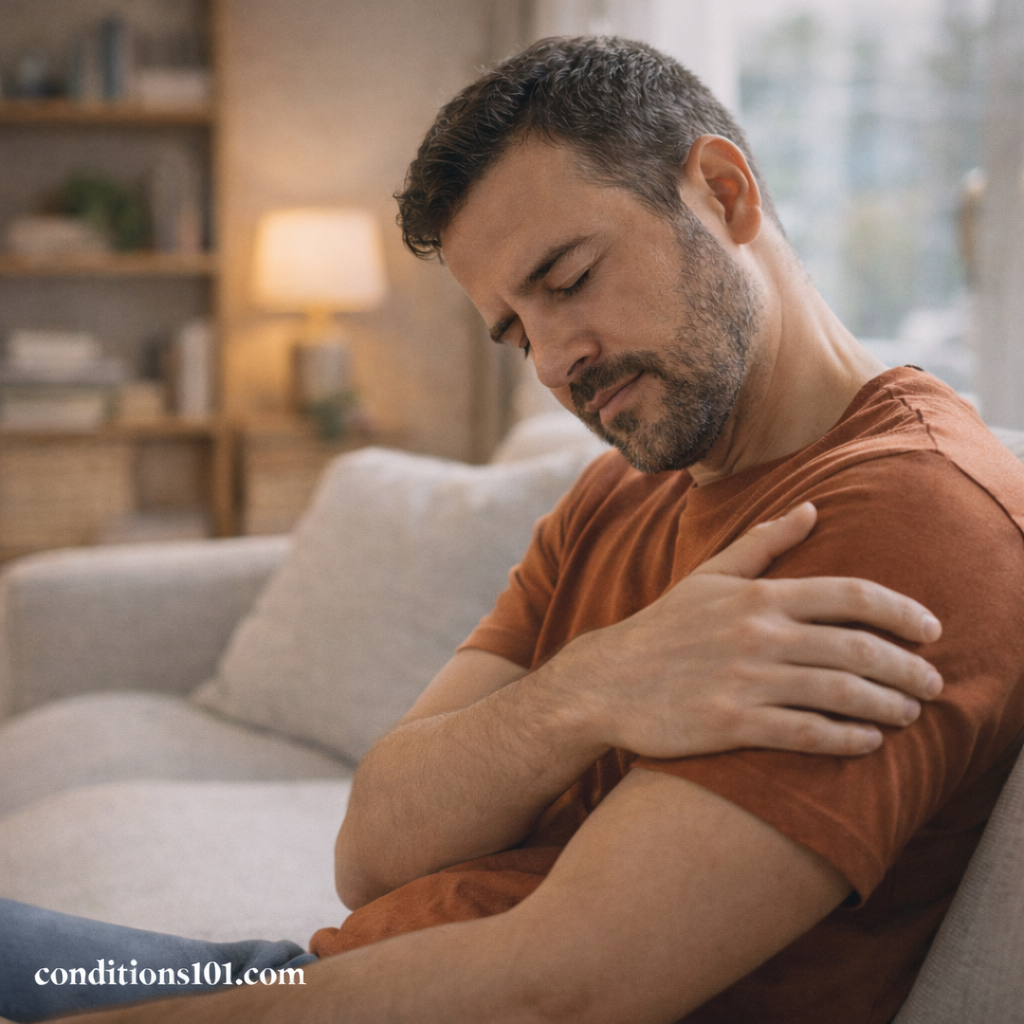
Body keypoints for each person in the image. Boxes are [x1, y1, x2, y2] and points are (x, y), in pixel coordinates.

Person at [5, 35, 1024, 1024]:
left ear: (724, 192)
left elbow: (565, 989)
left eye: (568, 280)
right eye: (513, 329)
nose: (549, 362)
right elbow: (372, 850)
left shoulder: (910, 513)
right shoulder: (615, 494)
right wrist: (596, 683)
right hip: (310, 985)